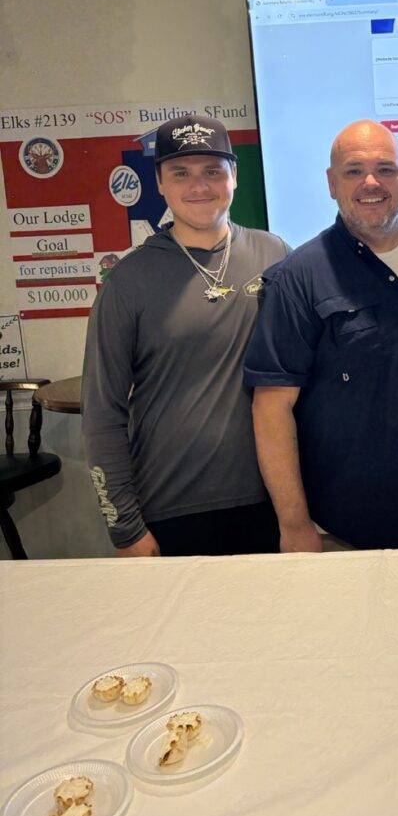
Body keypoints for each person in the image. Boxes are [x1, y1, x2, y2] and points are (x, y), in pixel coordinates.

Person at [244, 119, 398, 552]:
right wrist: (293, 524)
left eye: (385, 169)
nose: (371, 182)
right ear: (332, 183)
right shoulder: (299, 278)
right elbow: (271, 408)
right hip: (343, 528)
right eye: (353, 171)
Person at [81, 115, 289, 556]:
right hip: (171, 509)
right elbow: (102, 414)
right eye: (181, 173)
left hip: (271, 502)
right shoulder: (128, 281)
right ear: (159, 182)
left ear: (234, 175)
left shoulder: (275, 254)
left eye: (213, 171)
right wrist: (126, 528)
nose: (199, 186)